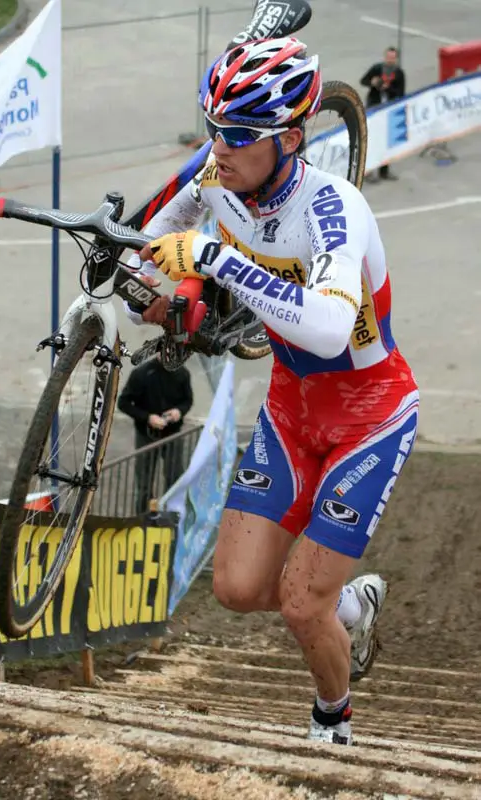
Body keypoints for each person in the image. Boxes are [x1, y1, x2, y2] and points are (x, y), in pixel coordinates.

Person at [126, 36, 418, 745]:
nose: (217, 146)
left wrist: (215, 258)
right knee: (237, 589)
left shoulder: (334, 210)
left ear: (290, 138)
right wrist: (145, 286)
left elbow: (325, 328)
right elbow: (149, 240)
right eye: (211, 126)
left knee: (297, 602)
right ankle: (351, 605)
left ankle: (332, 725)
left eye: (236, 135)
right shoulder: (219, 177)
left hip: (370, 413)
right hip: (291, 404)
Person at [117, 356, 193, 514]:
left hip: (172, 434)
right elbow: (123, 402)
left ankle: (172, 516)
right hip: (147, 435)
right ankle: (143, 518)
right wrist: (148, 418)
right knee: (144, 482)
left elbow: (188, 400)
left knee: (175, 478)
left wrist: (179, 411)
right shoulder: (141, 373)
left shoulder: (182, 373)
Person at [361, 47, 406, 182]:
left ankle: (384, 171)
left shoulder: (399, 73)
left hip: (389, 110)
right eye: (388, 57)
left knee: (386, 141)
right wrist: (372, 83)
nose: (390, 60)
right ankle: (367, 171)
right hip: (374, 108)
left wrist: (388, 89)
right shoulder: (377, 69)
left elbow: (401, 93)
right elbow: (363, 81)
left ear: (396, 59)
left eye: (392, 58)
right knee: (372, 140)